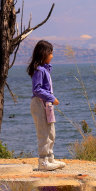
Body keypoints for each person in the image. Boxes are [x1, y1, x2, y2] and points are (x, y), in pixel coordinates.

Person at [27, 40, 66, 171]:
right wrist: (52, 98)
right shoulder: (39, 71)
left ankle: (50, 158)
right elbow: (37, 89)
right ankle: (43, 161)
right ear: (44, 54)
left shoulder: (45, 70)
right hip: (39, 104)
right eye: (50, 53)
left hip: (46, 105)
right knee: (43, 132)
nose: (52, 56)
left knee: (50, 132)